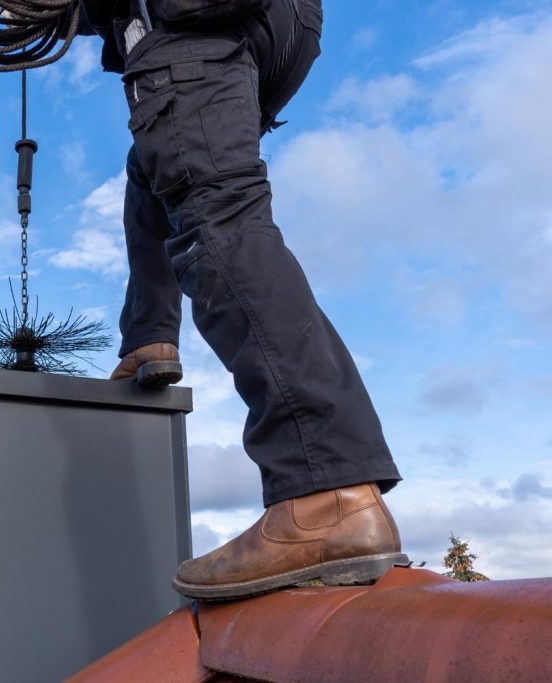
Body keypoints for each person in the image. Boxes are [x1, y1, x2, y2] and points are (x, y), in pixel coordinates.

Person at [78, 0, 408, 600]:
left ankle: (325, 495)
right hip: (286, 24)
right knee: (154, 167)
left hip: (185, 18)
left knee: (216, 215)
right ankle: (150, 331)